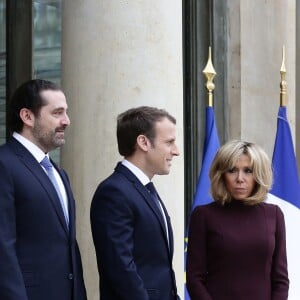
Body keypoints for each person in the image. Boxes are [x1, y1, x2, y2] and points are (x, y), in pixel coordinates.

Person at [0, 79, 87, 300]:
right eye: (57, 113)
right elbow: (3, 248)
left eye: (66, 113)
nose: (66, 121)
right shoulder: (4, 164)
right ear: (27, 116)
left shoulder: (59, 173)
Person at [90, 106, 180, 299]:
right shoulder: (114, 192)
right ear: (143, 142)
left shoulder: (144, 189)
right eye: (170, 142)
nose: (176, 151)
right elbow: (121, 268)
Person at [186, 140, 289, 300]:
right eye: (232, 170)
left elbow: (280, 279)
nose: (240, 178)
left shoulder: (274, 215)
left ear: (259, 175)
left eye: (248, 171)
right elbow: (194, 278)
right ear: (221, 174)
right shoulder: (204, 216)